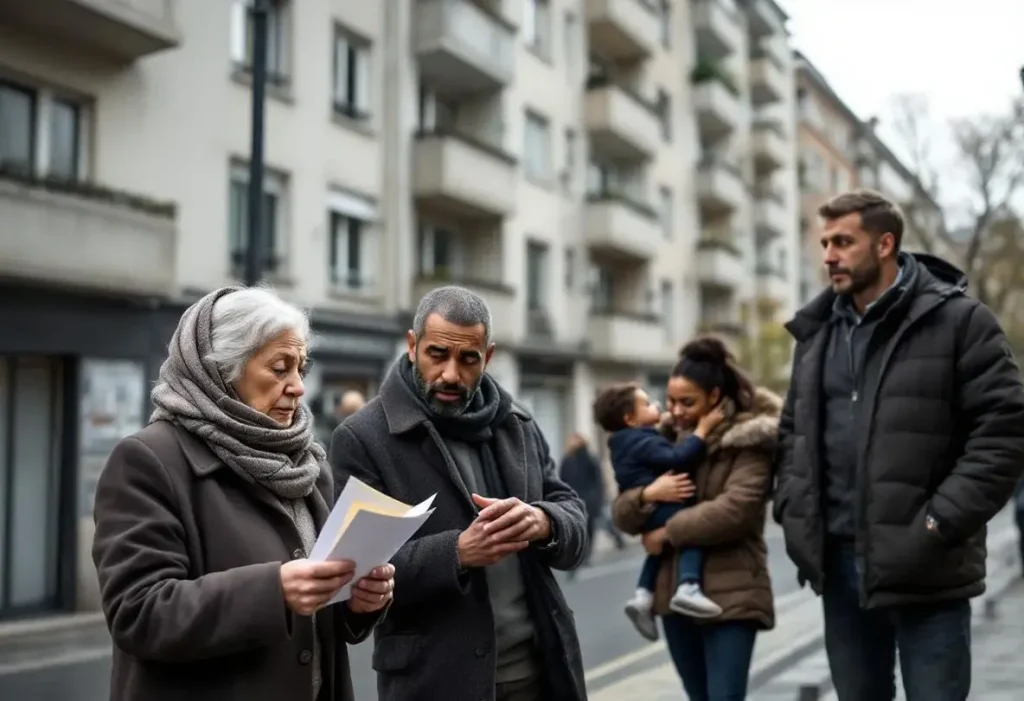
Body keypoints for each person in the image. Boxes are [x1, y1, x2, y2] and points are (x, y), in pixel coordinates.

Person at [774, 189, 1024, 701]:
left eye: (843, 241)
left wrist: (940, 521)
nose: (828, 255)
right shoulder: (816, 335)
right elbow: (791, 434)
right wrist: (793, 512)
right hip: (839, 569)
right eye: (824, 243)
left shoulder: (961, 321)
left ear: (885, 243)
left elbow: (1005, 428)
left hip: (928, 566)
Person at [91, 287, 394, 701]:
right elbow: (138, 611)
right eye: (279, 368)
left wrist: (358, 602)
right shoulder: (148, 460)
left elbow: (323, 622)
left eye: (300, 369)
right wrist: (275, 591)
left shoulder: (306, 463)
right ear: (223, 371)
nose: (298, 387)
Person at [330, 285, 588, 701]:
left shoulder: (517, 423)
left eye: (468, 359)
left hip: (541, 671)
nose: (451, 373)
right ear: (412, 345)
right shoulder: (362, 437)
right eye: (438, 354)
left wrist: (544, 521)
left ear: (487, 357)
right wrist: (458, 552)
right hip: (436, 682)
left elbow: (572, 516)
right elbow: (353, 569)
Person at [612, 338, 778, 700]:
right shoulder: (664, 440)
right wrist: (646, 496)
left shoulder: (750, 440)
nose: (676, 410)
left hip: (731, 595)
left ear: (714, 396)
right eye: (671, 401)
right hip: (673, 599)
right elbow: (622, 513)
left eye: (687, 402)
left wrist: (667, 533)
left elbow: (736, 509)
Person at [594, 381, 725, 641]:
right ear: (630, 418)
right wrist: (702, 430)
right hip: (663, 507)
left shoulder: (624, 441)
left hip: (650, 512)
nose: (657, 405)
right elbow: (678, 458)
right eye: (646, 403)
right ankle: (688, 585)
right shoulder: (642, 440)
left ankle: (643, 595)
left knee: (659, 548)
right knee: (689, 530)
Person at [559, 432, 605, 567]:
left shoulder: (589, 458)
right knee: (576, 528)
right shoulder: (567, 460)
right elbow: (561, 481)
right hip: (572, 500)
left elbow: (597, 480)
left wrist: (596, 499)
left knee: (589, 528)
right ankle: (579, 555)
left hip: (588, 500)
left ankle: (587, 554)